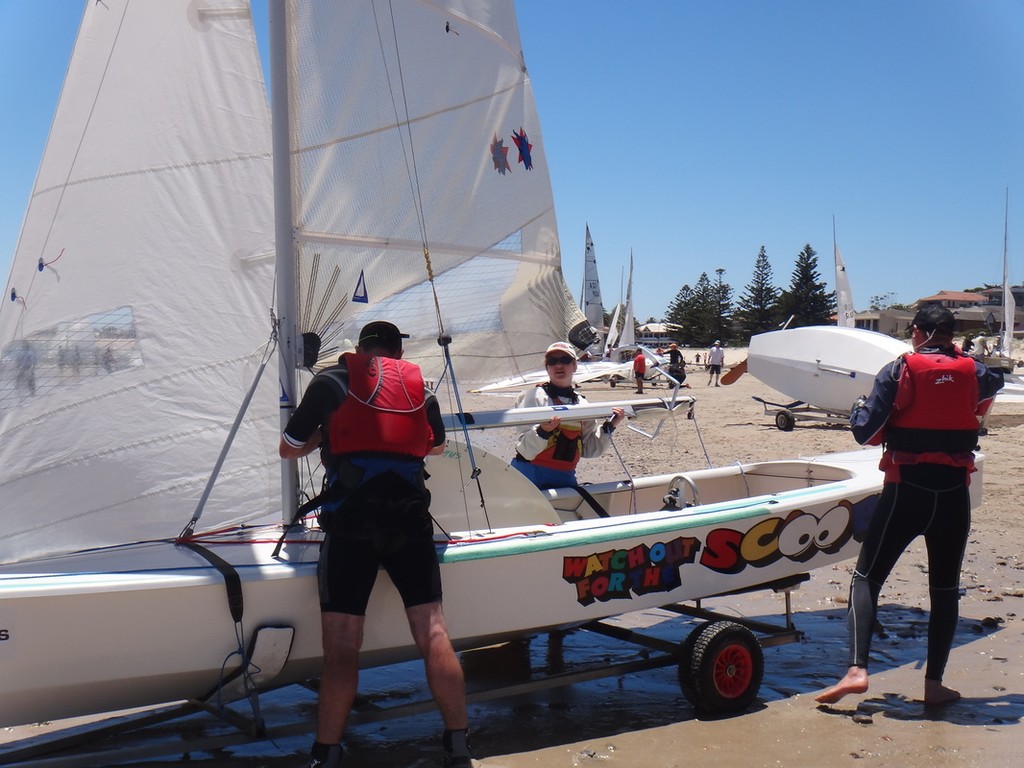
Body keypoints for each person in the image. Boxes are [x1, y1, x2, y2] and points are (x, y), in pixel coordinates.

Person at [279, 321, 472, 768]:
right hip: (409, 518)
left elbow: (289, 448)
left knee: (344, 645)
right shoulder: (418, 389)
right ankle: (459, 745)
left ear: (361, 350)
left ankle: (327, 753)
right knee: (434, 633)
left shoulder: (330, 381)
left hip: (352, 520)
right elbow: (437, 448)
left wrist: (327, 437)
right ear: (396, 354)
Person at [814, 305, 1003, 707]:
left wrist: (856, 410)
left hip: (906, 491)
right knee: (945, 589)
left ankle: (857, 670)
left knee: (867, 578)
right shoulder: (976, 371)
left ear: (917, 333)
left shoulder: (900, 369)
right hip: (953, 495)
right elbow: (991, 385)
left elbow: (866, 433)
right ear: (950, 334)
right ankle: (934, 685)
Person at [511, 341, 625, 490]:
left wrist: (610, 426)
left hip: (564, 478)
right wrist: (543, 431)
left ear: (575, 366)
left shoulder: (582, 404)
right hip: (528, 475)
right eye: (552, 361)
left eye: (565, 360)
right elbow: (524, 449)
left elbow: (589, 449)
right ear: (547, 367)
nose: (559, 365)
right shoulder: (533, 397)